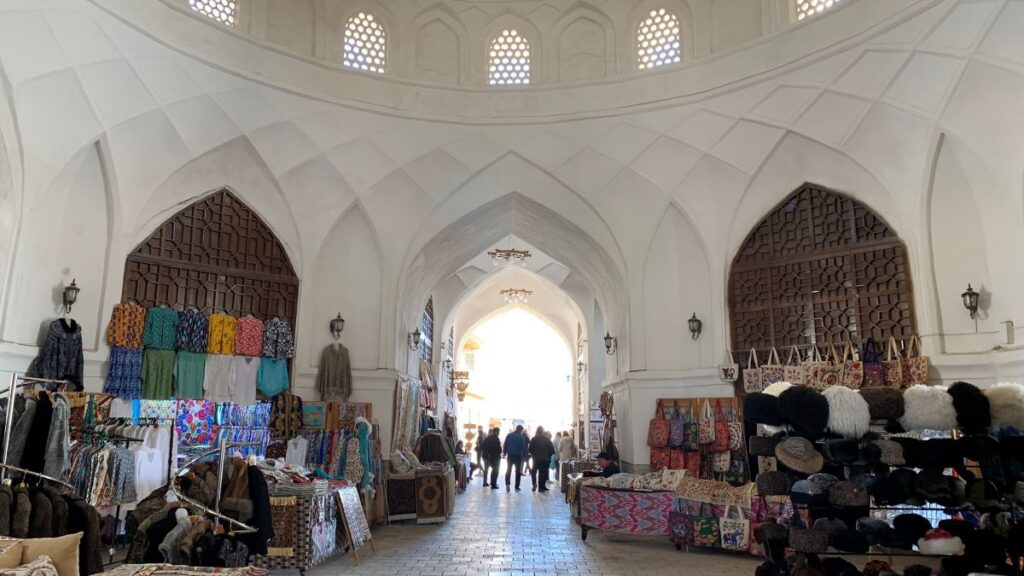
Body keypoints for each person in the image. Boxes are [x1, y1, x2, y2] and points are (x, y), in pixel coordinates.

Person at [528, 426, 556, 492]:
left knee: (534, 472)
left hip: (536, 459)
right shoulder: (547, 439)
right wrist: (548, 455)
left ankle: (534, 483)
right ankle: (541, 488)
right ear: (542, 431)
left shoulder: (533, 439)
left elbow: (530, 449)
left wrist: (533, 454)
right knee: (542, 473)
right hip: (544, 459)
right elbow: (552, 450)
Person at [503, 425, 528, 492]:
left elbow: (505, 444)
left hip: (510, 455)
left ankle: (507, 484)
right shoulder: (521, 437)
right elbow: (523, 447)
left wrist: (504, 452)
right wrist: (525, 456)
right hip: (518, 456)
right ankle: (517, 486)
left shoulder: (509, 435)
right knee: (518, 471)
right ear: (521, 430)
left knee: (508, 470)